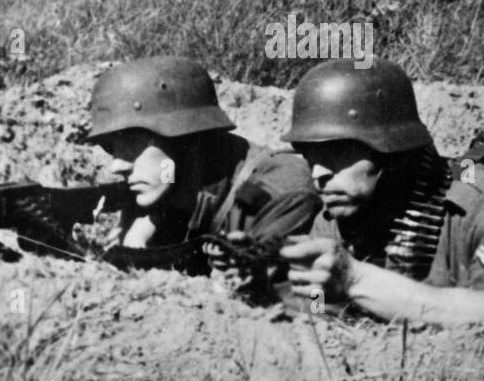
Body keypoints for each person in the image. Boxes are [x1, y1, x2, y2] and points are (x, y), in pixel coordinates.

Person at [272, 57, 484, 340]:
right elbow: (320, 312)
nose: (319, 174)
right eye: (311, 158)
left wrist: (355, 280)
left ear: (391, 151)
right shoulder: (336, 218)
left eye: (337, 154)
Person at [82, 56, 320, 271]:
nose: (117, 166)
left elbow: (298, 306)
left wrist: (145, 264)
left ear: (186, 139)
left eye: (132, 144)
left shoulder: (277, 192)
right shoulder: (166, 183)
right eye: (112, 148)